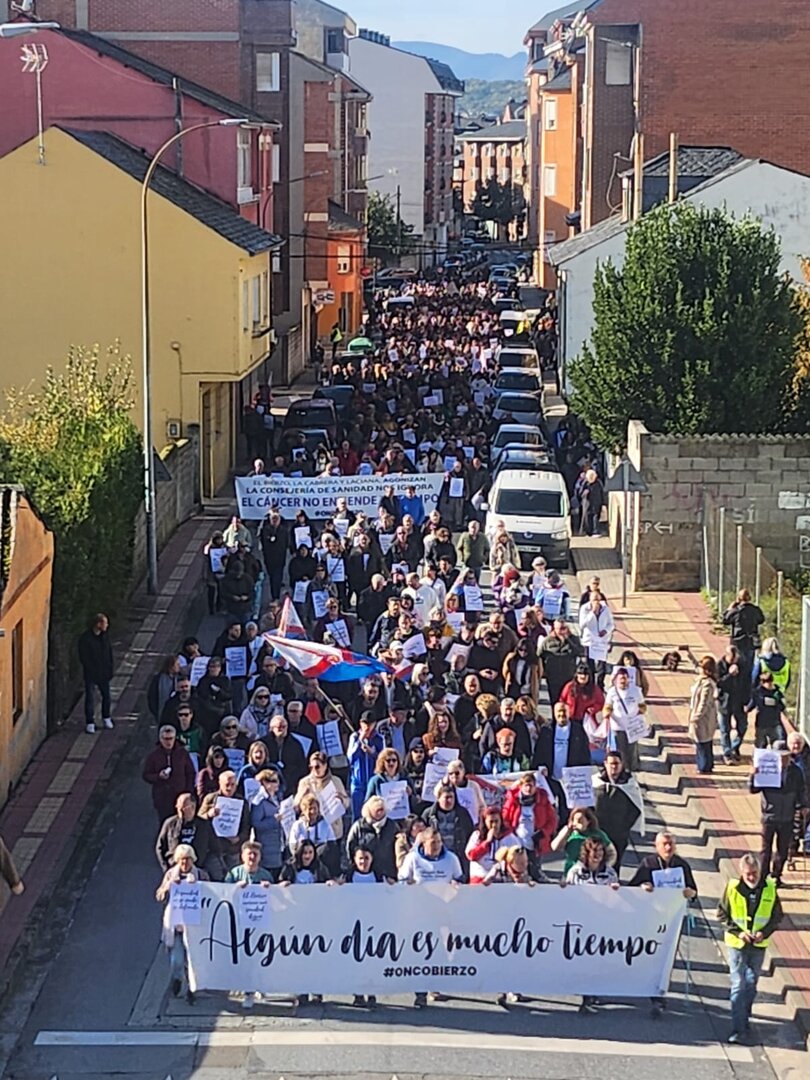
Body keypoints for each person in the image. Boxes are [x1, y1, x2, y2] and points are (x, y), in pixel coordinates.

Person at [628, 830, 698, 1017]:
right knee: (649, 955)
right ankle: (646, 988)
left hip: (672, 920)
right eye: (664, 844)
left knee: (666, 958)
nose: (668, 847)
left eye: (671, 844)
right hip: (651, 919)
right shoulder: (648, 864)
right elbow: (632, 887)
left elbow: (693, 891)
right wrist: (643, 887)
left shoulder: (682, 865)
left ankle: (658, 996)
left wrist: (689, 893)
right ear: (656, 846)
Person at [718, 853, 783, 1044]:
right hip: (737, 944)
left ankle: (744, 1016)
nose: (752, 877)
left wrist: (765, 932)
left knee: (752, 982)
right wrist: (739, 932)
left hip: (758, 945)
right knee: (739, 984)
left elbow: (777, 916)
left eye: (754, 873)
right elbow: (722, 914)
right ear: (741, 872)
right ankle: (739, 1028)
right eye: (748, 874)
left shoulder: (769, 888)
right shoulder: (732, 888)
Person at [398, 824, 464, 1008]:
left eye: (439, 843)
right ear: (423, 843)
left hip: (443, 911)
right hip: (419, 912)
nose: (436, 847)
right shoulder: (412, 858)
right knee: (421, 951)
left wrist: (455, 884)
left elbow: (460, 878)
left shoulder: (451, 859)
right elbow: (402, 879)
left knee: (440, 949)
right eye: (433, 844)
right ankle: (420, 991)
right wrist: (409, 884)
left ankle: (434, 986)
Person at [562, 835, 619, 1013]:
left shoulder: (610, 873)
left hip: (601, 922)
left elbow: (617, 898)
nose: (597, 855)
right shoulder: (575, 871)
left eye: (601, 851)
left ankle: (592, 992)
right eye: (594, 851)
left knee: (597, 957)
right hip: (580, 922)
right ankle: (585, 992)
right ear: (586, 853)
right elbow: (566, 894)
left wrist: (617, 890)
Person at [155, 844, 210, 1004]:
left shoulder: (201, 875)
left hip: (195, 928)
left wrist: (199, 887)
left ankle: (191, 992)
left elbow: (211, 897)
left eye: (187, 860)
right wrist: (169, 886)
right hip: (177, 927)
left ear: (193, 860)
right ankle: (177, 979)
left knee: (193, 963)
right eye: (181, 860)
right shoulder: (171, 874)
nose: (185, 863)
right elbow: (159, 896)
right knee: (177, 961)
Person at [750, 745, 805, 885]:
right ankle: (762, 877)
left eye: (785, 756)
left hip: (787, 816)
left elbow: (801, 790)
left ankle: (776, 875)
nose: (782, 760)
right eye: (779, 756)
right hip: (769, 816)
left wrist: (804, 805)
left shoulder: (796, 772)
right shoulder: (766, 770)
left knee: (783, 849)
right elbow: (753, 789)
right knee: (765, 849)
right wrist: (753, 776)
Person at [532, 701, 591, 824]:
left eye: (564, 712)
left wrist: (583, 773)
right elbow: (539, 751)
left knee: (567, 809)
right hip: (551, 777)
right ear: (554, 713)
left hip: (570, 779)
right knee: (548, 807)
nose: (561, 715)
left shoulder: (578, 730)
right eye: (559, 712)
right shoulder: (547, 730)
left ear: (569, 713)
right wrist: (540, 766)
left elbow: (585, 753)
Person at [592, 752, 644, 870]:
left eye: (616, 764)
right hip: (598, 831)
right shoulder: (596, 782)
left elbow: (636, 807)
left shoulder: (629, 784)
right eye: (611, 764)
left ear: (622, 764)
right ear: (605, 764)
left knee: (614, 865)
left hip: (618, 834)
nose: (614, 767)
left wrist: (624, 826)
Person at [198, 770, 251, 879]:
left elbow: (247, 825)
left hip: (233, 848)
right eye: (227, 785)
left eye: (233, 785)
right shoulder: (210, 798)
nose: (229, 788)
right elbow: (199, 819)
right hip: (214, 848)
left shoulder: (242, 801)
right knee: (216, 879)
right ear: (220, 784)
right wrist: (209, 814)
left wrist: (239, 838)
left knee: (233, 878)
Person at [142, 726, 197, 827]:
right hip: (163, 799)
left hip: (180, 796)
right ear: (160, 739)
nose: (169, 742)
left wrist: (188, 792)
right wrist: (158, 776)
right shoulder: (154, 756)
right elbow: (146, 775)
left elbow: (190, 773)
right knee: (166, 825)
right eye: (166, 739)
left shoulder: (182, 753)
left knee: (183, 823)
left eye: (171, 738)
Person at [501, 773, 557, 870]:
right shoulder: (513, 800)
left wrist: (543, 832)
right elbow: (505, 819)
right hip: (517, 841)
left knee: (534, 869)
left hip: (535, 841)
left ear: (535, 786)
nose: (528, 789)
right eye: (526, 786)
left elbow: (552, 820)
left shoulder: (543, 800)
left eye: (531, 785)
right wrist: (511, 834)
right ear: (521, 786)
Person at [421, 782, 475, 876]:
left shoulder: (463, 814)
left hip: (458, 858)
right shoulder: (428, 815)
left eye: (452, 797)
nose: (449, 801)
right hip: (435, 860)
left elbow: (470, 835)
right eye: (446, 797)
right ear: (438, 798)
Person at [344, 795, 400, 881]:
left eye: (382, 809)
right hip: (364, 874)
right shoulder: (359, 826)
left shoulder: (392, 826)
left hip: (388, 874)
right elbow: (349, 848)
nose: (380, 812)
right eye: (377, 810)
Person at [603, 666, 648, 774]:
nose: (623, 681)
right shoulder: (612, 692)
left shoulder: (636, 690)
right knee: (620, 750)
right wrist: (607, 713)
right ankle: (623, 770)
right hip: (618, 726)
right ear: (616, 680)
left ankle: (632, 769)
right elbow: (607, 706)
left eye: (625, 679)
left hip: (632, 726)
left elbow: (642, 705)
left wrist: (639, 714)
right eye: (620, 679)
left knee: (632, 749)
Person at [155, 792, 212, 873]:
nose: (180, 810)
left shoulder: (203, 825)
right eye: (178, 807)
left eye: (183, 808)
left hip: (196, 869)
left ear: (193, 807)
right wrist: (166, 868)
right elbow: (160, 847)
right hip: (174, 868)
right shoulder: (170, 823)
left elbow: (213, 848)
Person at [551, 806, 617, 874]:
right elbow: (554, 847)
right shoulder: (569, 834)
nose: (576, 823)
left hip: (592, 873)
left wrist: (604, 867)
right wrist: (566, 831)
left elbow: (612, 853)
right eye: (574, 820)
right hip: (571, 872)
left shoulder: (598, 834)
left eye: (580, 821)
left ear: (588, 821)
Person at [78, 612, 114, 734]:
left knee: (107, 696)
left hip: (104, 673)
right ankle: (90, 722)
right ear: (98, 624)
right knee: (90, 698)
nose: (107, 626)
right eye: (105, 623)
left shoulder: (105, 637)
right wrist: (91, 669)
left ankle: (106, 717)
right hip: (91, 674)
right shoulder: (86, 639)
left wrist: (110, 669)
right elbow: (84, 657)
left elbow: (109, 653)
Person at [466, 806, 519, 883]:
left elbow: (518, 857)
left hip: (501, 879)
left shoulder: (509, 837)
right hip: (480, 877)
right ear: (485, 822)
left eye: (496, 821)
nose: (494, 825)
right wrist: (486, 842)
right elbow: (471, 855)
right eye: (491, 822)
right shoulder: (477, 836)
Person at [347, 711, 384, 820]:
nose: (367, 727)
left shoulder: (379, 738)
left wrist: (372, 752)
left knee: (374, 813)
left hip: (373, 782)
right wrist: (360, 741)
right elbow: (350, 758)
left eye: (370, 724)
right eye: (365, 723)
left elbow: (383, 758)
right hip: (358, 782)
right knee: (357, 814)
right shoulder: (354, 737)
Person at [539, 620, 584, 705]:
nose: (562, 631)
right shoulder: (547, 641)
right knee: (555, 701)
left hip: (568, 676)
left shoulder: (574, 639)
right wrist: (543, 671)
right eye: (559, 629)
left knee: (568, 701)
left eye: (564, 628)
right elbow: (539, 655)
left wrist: (568, 640)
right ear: (554, 629)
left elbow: (580, 652)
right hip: (553, 677)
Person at [717, 645, 749, 765]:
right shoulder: (720, 665)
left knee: (743, 726)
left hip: (739, 702)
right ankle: (727, 753)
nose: (734, 661)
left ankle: (734, 746)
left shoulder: (742, 665)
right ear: (727, 655)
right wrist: (730, 675)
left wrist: (747, 702)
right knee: (725, 729)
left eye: (736, 659)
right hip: (725, 703)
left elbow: (747, 684)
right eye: (732, 658)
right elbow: (719, 683)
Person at [250, 769, 285, 879]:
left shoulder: (278, 797)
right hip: (266, 847)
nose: (277, 783)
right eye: (274, 781)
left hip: (278, 844)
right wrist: (274, 820)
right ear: (265, 783)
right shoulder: (258, 801)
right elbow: (256, 823)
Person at [722, 589, 764, 680]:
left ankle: (737, 683)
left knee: (737, 664)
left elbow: (725, 620)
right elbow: (761, 619)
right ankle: (748, 685)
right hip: (750, 641)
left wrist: (729, 609)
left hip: (737, 642)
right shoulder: (755, 610)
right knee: (749, 666)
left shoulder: (736, 611)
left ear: (739, 598)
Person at [688, 655, 719, 774]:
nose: (699, 669)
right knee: (703, 741)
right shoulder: (701, 680)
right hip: (699, 715)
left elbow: (704, 703)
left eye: (702, 667)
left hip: (704, 718)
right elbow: (695, 665)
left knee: (702, 742)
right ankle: (707, 765)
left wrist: (696, 717)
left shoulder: (707, 685)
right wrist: (689, 655)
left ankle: (703, 766)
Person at [746, 670, 788, 748]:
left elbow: (782, 707)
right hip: (762, 723)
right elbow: (752, 704)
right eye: (765, 681)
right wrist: (746, 709)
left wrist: (786, 715)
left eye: (769, 681)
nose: (767, 683)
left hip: (775, 723)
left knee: (778, 744)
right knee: (761, 744)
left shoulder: (777, 693)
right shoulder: (758, 693)